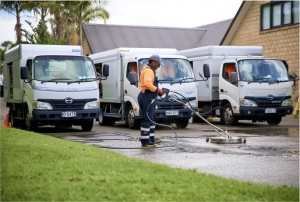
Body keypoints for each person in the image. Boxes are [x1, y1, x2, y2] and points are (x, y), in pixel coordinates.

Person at [138, 55, 165, 147]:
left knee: (152, 119)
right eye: (158, 64)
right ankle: (145, 140)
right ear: (153, 62)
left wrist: (158, 90)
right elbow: (147, 84)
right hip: (146, 97)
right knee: (147, 119)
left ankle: (151, 138)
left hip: (150, 97)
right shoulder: (148, 71)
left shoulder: (151, 71)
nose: (159, 66)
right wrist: (157, 90)